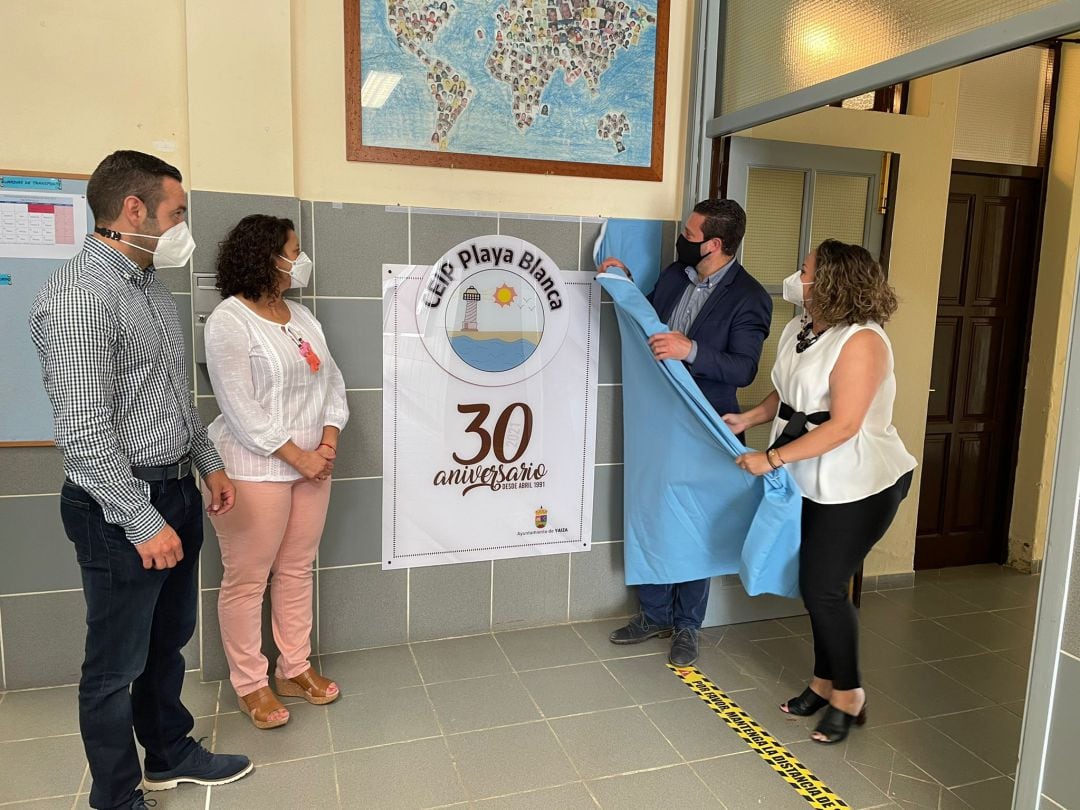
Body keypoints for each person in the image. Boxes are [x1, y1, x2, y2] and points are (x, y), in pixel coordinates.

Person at [28, 150, 252, 810]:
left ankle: (168, 754)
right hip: (121, 504)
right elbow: (86, 435)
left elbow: (171, 396)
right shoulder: (76, 298)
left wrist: (206, 466)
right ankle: (117, 796)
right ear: (134, 210)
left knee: (166, 644)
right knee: (114, 665)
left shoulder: (149, 285)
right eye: (176, 212)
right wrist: (142, 518)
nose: (183, 225)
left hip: (175, 487)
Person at [724, 239, 917, 744]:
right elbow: (789, 394)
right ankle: (823, 681)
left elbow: (845, 424)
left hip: (861, 481)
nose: (798, 277)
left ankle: (849, 695)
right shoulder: (801, 329)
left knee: (824, 586)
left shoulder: (863, 341)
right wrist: (749, 416)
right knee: (817, 585)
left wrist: (770, 458)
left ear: (832, 282)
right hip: (809, 475)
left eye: (805, 270)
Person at [600, 198, 772, 667]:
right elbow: (650, 325)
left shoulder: (750, 297)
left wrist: (690, 349)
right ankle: (653, 614)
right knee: (652, 509)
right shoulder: (677, 275)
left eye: (691, 234)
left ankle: (688, 627)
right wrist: (626, 285)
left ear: (715, 244)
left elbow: (743, 368)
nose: (683, 238)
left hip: (705, 422)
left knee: (694, 521)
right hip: (657, 418)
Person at [203, 214, 349, 729]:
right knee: (247, 579)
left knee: (294, 570)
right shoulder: (229, 320)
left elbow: (332, 383)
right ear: (266, 255)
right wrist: (298, 455)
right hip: (255, 467)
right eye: (293, 249)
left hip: (313, 467)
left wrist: (327, 440)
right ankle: (250, 682)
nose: (299, 260)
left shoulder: (303, 318)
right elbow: (239, 406)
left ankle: (294, 668)